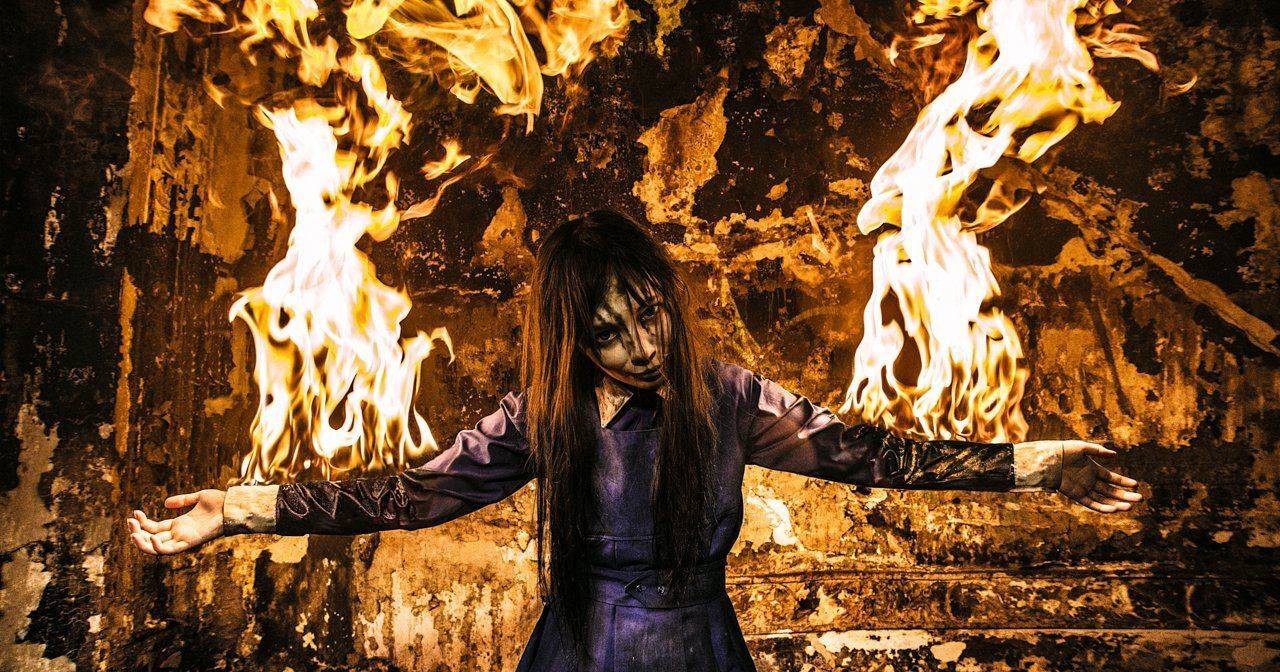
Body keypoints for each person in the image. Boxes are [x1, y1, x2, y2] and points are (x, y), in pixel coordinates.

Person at [127, 209, 1142, 671]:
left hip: (702, 648)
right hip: (582, 649)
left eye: (648, 314)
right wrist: (240, 510)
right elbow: (405, 495)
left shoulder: (730, 398)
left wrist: (1037, 465)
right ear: (577, 341)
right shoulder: (541, 418)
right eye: (609, 333)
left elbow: (875, 454)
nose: (642, 345)